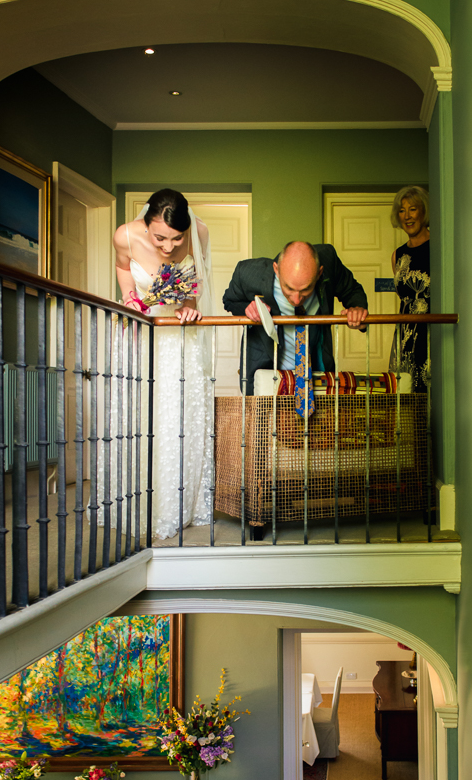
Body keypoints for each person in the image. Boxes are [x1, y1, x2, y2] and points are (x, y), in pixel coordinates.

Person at [110, 189, 214, 540]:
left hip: (177, 339)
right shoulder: (125, 235)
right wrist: (129, 299)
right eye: (160, 238)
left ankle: (177, 504)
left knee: (175, 416)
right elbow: (124, 268)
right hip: (140, 334)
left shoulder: (199, 233)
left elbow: (194, 282)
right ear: (146, 224)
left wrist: (188, 303)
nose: (168, 248)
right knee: (140, 414)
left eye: (176, 238)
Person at [221, 241, 369, 393]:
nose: (297, 300)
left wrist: (357, 309)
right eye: (289, 288)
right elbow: (230, 300)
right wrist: (247, 309)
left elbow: (352, 291)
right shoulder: (248, 273)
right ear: (276, 270)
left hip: (317, 371)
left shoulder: (329, 261)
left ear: (319, 273)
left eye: (306, 290)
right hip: (266, 371)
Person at [389, 185, 431, 390]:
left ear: (423, 211)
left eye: (412, 209)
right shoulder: (397, 255)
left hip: (430, 333)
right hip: (405, 335)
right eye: (402, 210)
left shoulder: (438, 246)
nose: (407, 216)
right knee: (404, 394)